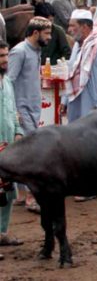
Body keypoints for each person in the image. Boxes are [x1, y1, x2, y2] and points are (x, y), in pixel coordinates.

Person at [63, 9, 97, 123]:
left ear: (84, 27)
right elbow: (70, 74)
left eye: (73, 26)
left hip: (96, 108)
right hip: (76, 107)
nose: (69, 30)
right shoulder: (77, 46)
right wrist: (64, 101)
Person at [0, 40, 24, 250]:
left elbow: (13, 110)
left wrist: (18, 131)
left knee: (7, 193)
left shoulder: (7, 82)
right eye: (1, 56)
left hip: (8, 147)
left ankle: (2, 232)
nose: (5, 60)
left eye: (6, 55)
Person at [9, 17, 51, 136]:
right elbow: (8, 82)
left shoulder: (37, 50)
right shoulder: (19, 52)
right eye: (46, 33)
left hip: (33, 110)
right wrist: (14, 111)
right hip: (22, 111)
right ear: (36, 33)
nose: (50, 37)